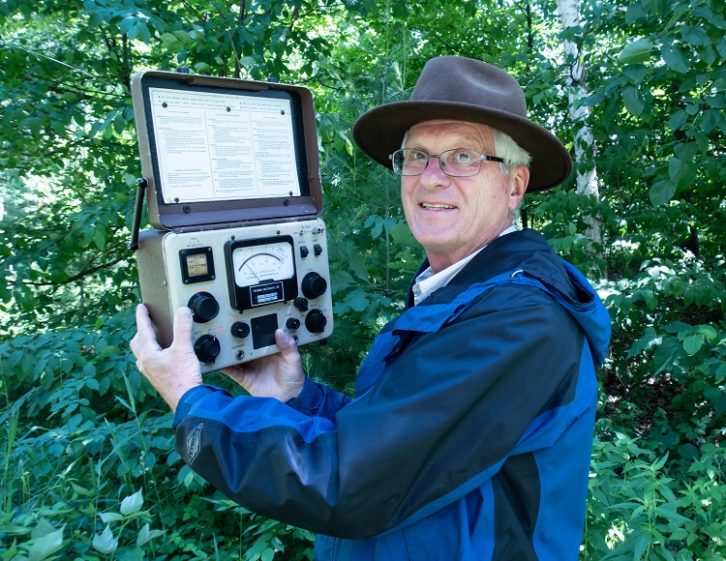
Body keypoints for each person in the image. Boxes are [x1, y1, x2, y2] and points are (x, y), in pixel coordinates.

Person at [131, 55, 611, 561]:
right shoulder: (459, 292)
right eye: (417, 156)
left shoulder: (520, 320)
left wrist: (190, 398)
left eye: (464, 157)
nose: (430, 178)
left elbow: (346, 482)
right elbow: (398, 439)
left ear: (514, 186)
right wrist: (297, 396)